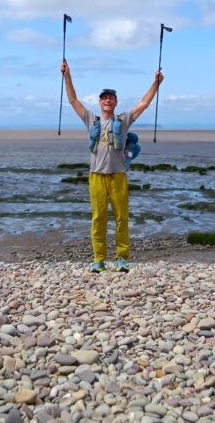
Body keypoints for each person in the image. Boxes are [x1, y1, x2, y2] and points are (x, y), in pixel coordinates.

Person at [60, 59, 164, 273]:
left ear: (115, 102)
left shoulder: (124, 120)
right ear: (100, 102)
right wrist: (67, 75)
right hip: (96, 175)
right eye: (104, 98)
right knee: (98, 218)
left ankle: (121, 259)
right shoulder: (91, 120)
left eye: (111, 98)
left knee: (121, 218)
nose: (108, 101)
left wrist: (156, 84)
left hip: (118, 175)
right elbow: (72, 100)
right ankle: (98, 260)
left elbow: (143, 103)